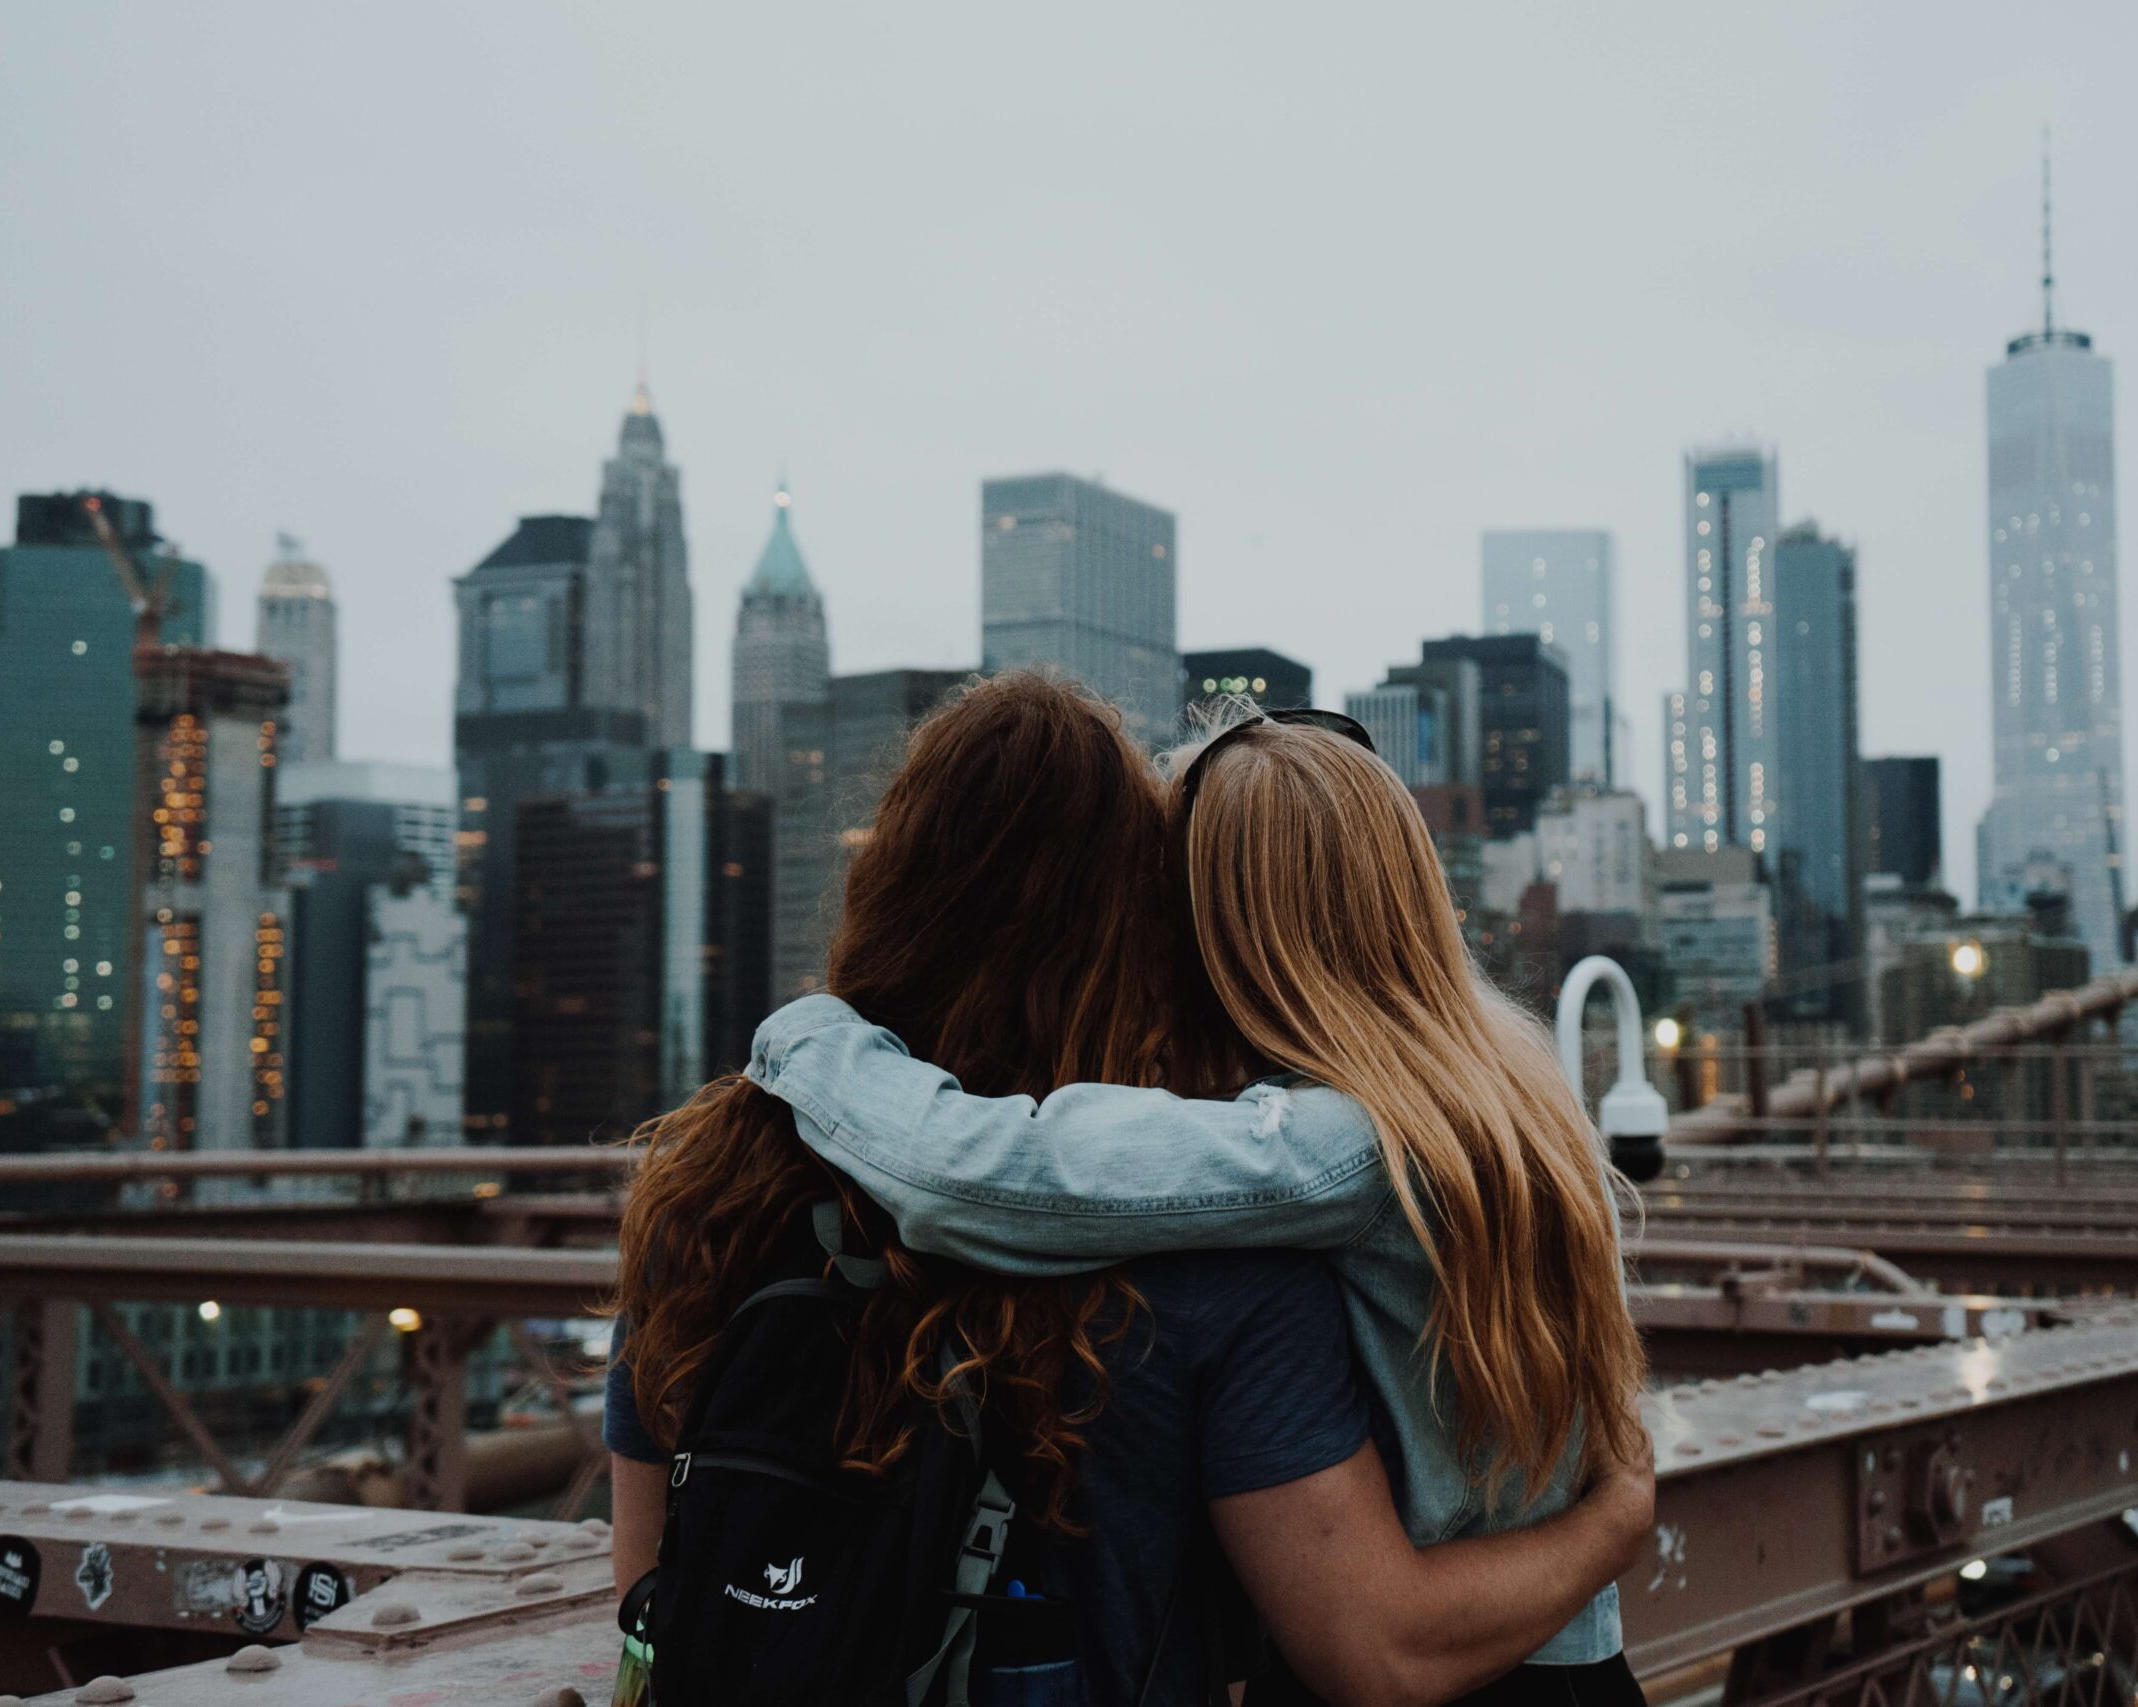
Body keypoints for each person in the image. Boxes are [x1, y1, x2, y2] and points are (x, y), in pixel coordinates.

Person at [611, 676, 1653, 1705]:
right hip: (1533, 1651)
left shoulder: (700, 1196)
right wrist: (1610, 1522)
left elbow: (986, 1174)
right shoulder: (1511, 1098)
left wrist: (806, 1038)